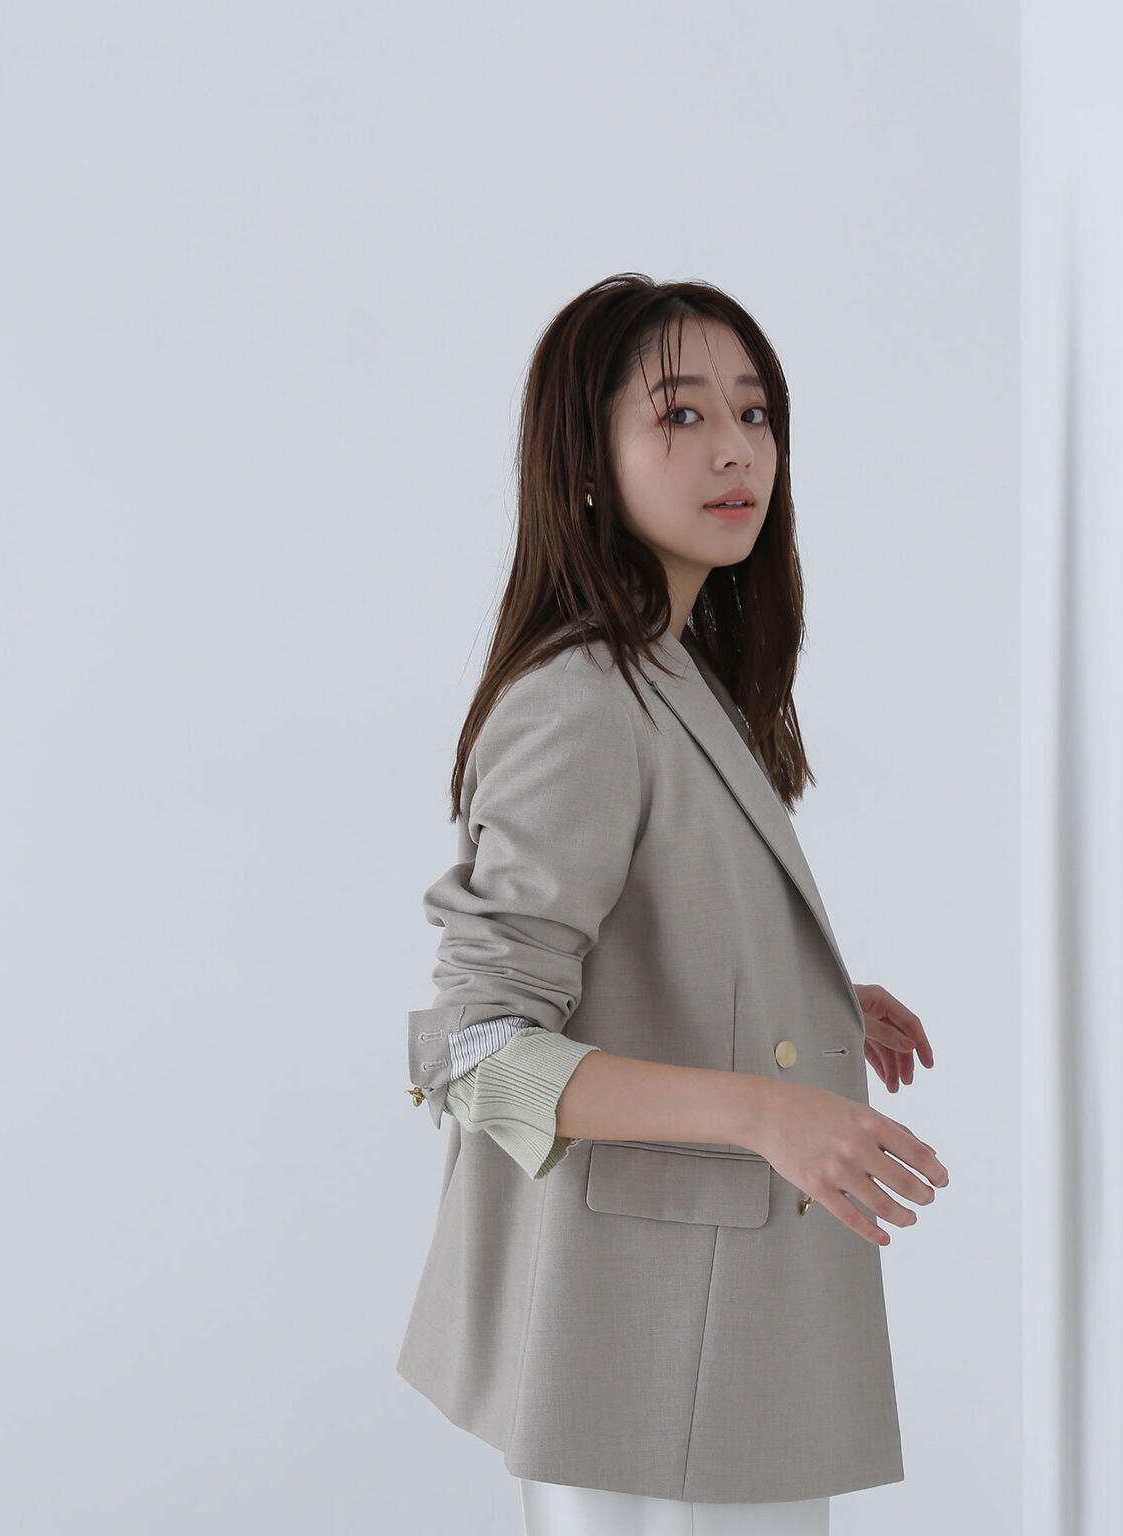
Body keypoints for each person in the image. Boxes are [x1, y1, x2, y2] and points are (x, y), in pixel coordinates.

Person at [396, 273, 949, 1534]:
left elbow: (638, 928)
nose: (734, 450)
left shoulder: (670, 670)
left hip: (695, 1318)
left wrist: (803, 996)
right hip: (636, 1333)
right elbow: (477, 1054)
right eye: (680, 416)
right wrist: (762, 1109)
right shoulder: (580, 699)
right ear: (585, 464)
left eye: (753, 414)